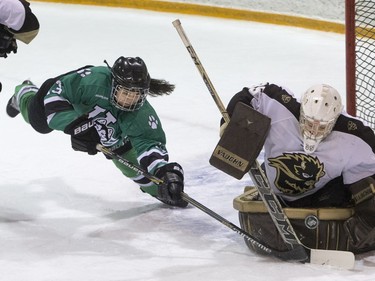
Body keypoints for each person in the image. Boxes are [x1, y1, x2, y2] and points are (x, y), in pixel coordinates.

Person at [6, 56, 188, 208]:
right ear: (114, 84)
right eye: (126, 93)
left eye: (137, 94)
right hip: (65, 99)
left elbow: (148, 142)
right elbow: (54, 98)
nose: (131, 100)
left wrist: (163, 173)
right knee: (39, 124)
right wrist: (76, 126)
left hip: (108, 125)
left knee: (134, 162)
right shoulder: (90, 82)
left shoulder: (140, 111)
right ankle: (24, 92)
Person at [223, 83, 375, 254]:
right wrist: (229, 121)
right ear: (302, 110)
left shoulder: (355, 137)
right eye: (309, 123)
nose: (314, 131)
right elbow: (249, 95)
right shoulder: (279, 104)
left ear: (334, 121)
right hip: (273, 186)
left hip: (324, 196)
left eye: (322, 127)